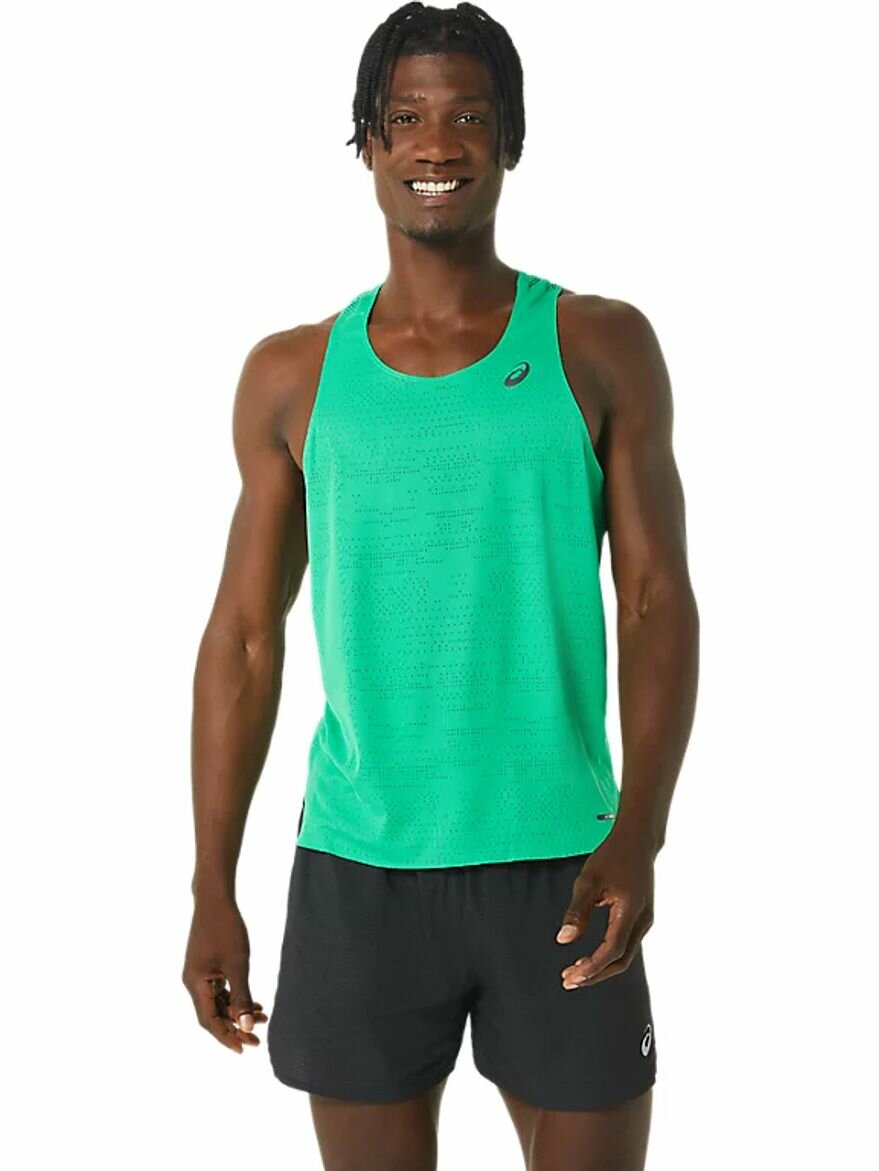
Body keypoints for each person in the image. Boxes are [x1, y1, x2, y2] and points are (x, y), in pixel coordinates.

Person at [182, 4, 699, 1168]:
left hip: (562, 860)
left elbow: (655, 601)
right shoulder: (292, 374)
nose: (436, 145)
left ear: (511, 139)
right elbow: (245, 637)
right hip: (361, 867)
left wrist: (642, 834)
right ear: (367, 141)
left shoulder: (599, 346)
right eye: (406, 117)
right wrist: (212, 882)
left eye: (468, 118)